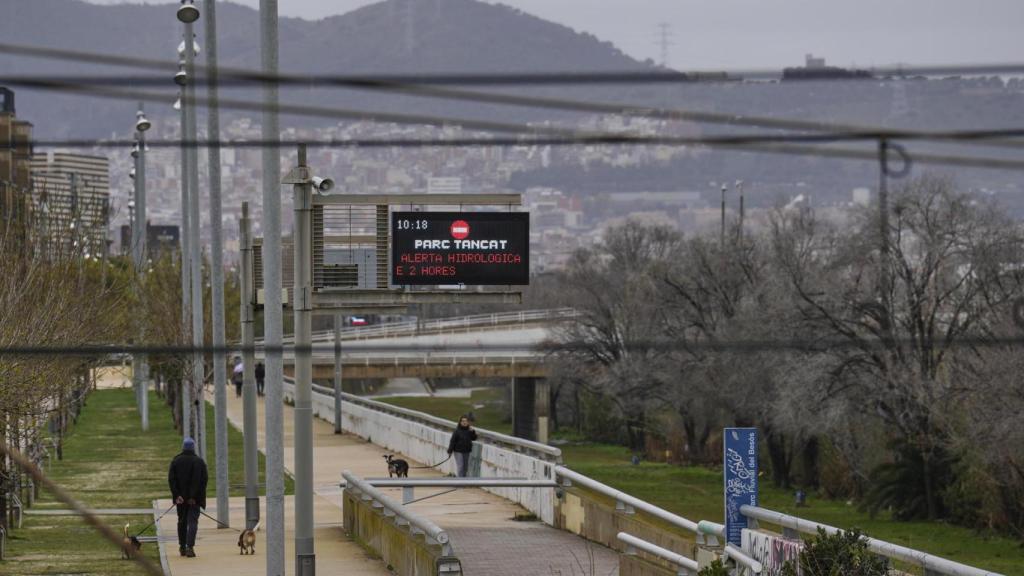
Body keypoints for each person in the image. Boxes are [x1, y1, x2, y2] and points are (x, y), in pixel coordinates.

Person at [168, 437, 208, 558]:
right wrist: (194, 497)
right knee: (193, 522)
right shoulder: (199, 462)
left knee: (182, 521)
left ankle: (182, 546)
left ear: (183, 448)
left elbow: (172, 480)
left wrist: (177, 495)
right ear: (193, 448)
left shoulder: (176, 461)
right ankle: (190, 547)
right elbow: (203, 481)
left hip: (181, 500)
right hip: (194, 501)